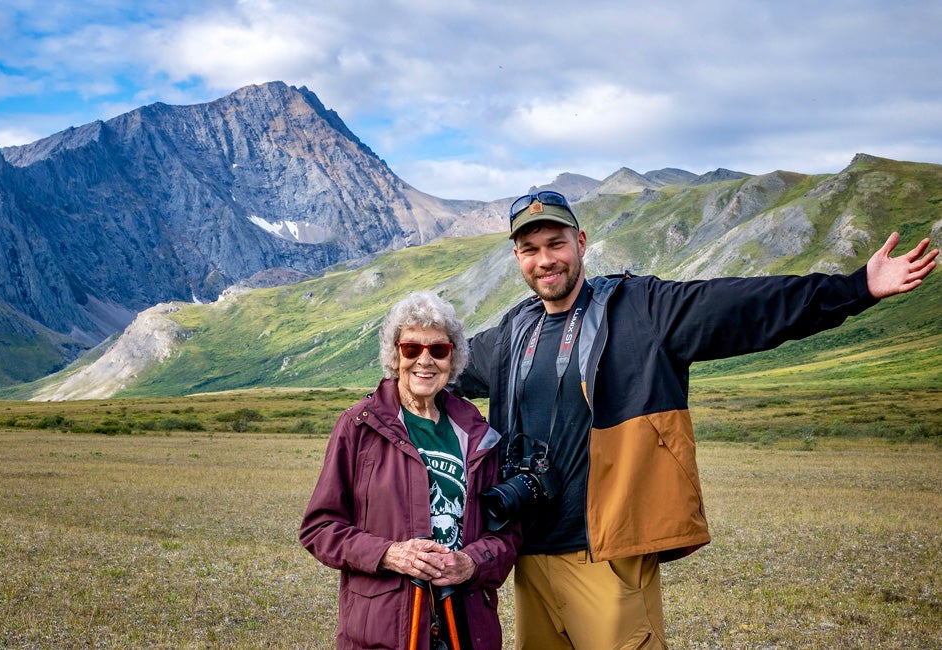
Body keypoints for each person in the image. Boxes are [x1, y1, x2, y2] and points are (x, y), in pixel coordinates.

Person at [453, 190, 938, 650]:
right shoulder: (514, 331)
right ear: (517, 257)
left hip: (605, 554)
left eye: (556, 243)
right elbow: (439, 370)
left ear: (580, 243)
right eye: (530, 249)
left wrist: (856, 288)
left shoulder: (641, 309)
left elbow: (746, 307)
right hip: (528, 553)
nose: (545, 260)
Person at [301, 291, 520, 650]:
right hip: (385, 629)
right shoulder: (360, 426)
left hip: (465, 626)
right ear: (394, 354)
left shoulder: (477, 432)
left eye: (438, 350)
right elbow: (320, 528)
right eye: (411, 349)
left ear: (453, 357)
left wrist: (471, 563)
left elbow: (507, 536)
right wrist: (389, 554)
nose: (425, 361)